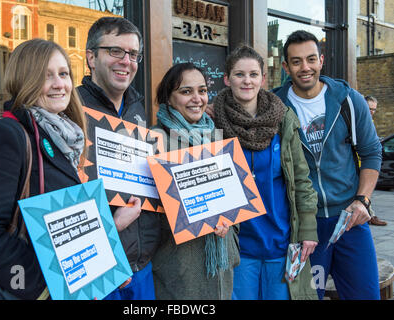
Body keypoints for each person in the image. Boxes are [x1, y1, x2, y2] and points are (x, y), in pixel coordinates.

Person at [0, 39, 88, 299]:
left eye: (63, 74)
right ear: (23, 80)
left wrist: (102, 265)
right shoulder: (5, 136)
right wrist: (43, 288)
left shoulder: (64, 139)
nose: (59, 84)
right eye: (45, 76)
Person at [273, 30, 383, 300]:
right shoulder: (274, 105)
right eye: (296, 61)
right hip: (304, 226)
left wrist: (363, 200)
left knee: (365, 296)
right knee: (310, 296)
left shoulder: (348, 100)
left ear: (321, 60)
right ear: (286, 67)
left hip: (349, 221)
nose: (305, 67)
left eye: (311, 59)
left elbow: (371, 152)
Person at [213, 44, 318, 300]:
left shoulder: (283, 119)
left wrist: (307, 230)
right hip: (237, 245)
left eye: (253, 74)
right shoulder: (212, 121)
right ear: (227, 79)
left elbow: (302, 180)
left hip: (280, 240)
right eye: (239, 74)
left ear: (263, 78)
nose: (246, 80)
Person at [77, 17, 160, 300]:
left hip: (141, 264)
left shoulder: (137, 108)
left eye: (133, 54)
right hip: (98, 268)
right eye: (116, 51)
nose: (126, 61)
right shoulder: (72, 109)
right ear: (91, 56)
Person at [151, 62, 239, 300]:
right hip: (180, 270)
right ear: (169, 98)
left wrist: (229, 224)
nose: (197, 99)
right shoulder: (155, 141)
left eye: (202, 91)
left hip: (221, 268)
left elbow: (235, 203)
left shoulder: (217, 139)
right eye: (186, 91)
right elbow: (147, 215)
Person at [364, 95, 387, 226]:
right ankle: (370, 216)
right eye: (369, 108)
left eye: (374, 109)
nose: (371, 112)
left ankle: (370, 215)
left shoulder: (370, 122)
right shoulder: (360, 121)